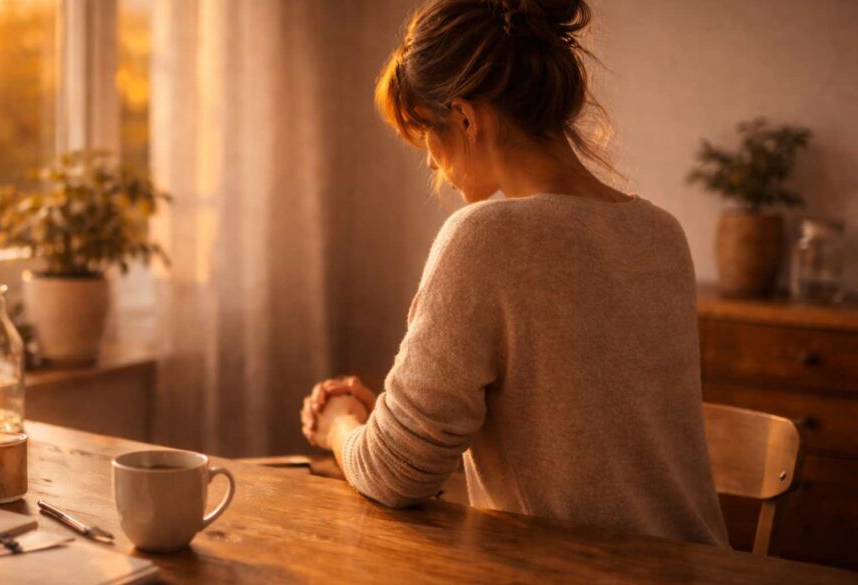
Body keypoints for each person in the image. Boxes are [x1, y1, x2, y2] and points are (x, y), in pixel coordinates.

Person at [299, 0, 729, 547]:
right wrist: (388, 418)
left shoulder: (484, 237)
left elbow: (394, 475)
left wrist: (337, 422)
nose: (431, 161)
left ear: (465, 117)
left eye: (425, 135)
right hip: (705, 569)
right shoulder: (661, 233)